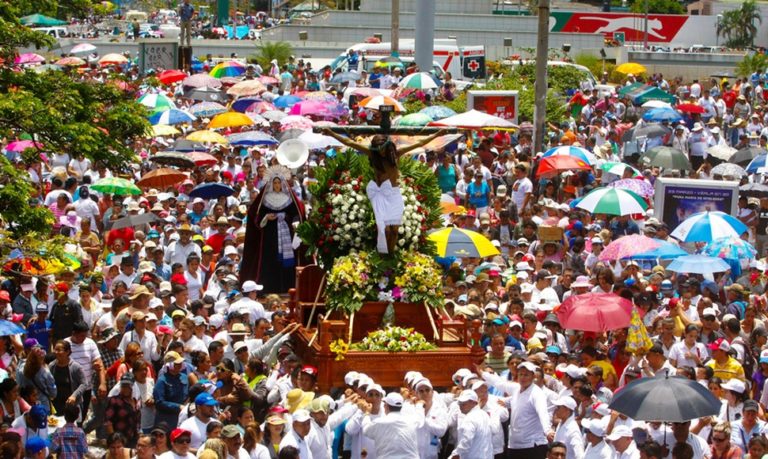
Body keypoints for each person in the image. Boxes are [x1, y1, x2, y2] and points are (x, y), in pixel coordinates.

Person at [240, 166, 305, 293]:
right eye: (274, 183)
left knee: (287, 263)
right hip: (269, 237)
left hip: (286, 234)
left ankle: (288, 288)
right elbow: (255, 216)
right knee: (270, 262)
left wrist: (294, 221)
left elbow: (296, 212)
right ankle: (269, 288)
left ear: (282, 183)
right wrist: (266, 217)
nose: (276, 185)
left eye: (278, 183)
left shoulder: (289, 198)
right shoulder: (265, 199)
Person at [361, 392, 418, 458]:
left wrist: (366, 413)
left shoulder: (379, 422)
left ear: (386, 406)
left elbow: (366, 430)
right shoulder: (411, 421)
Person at [450, 389, 492, 459]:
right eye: (459, 403)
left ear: (474, 403)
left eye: (464, 403)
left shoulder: (469, 419)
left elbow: (465, 443)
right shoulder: (484, 414)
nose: (460, 406)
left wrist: (453, 456)